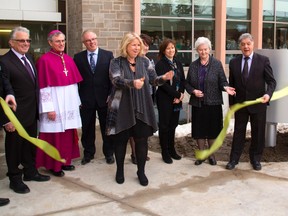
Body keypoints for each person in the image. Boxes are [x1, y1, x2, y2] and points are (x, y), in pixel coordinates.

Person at [106, 32, 174, 186]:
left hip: (142, 106)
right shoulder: (115, 62)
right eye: (133, 45)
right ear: (126, 46)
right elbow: (116, 80)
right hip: (122, 107)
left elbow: (153, 80)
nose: (137, 48)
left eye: (138, 45)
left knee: (142, 141)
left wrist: (164, 78)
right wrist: (132, 83)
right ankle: (120, 170)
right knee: (120, 142)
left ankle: (141, 171)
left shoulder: (145, 62)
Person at [0, 26, 50, 194]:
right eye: (21, 40)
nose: (26, 43)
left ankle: (30, 172)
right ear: (11, 42)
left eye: (28, 40)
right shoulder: (4, 62)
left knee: (29, 145)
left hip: (31, 112)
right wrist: (5, 120)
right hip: (14, 116)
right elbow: (3, 91)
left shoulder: (29, 57)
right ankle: (15, 179)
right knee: (14, 148)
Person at [35, 30, 83, 177]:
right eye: (58, 41)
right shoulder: (44, 60)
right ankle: (53, 165)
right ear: (50, 43)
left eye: (63, 41)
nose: (61, 44)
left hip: (68, 105)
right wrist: (49, 109)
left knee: (68, 135)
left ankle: (65, 161)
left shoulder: (69, 59)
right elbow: (44, 88)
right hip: (54, 105)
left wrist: (77, 103)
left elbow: (74, 85)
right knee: (54, 136)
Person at [226, 33, 276, 171]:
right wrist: (232, 104)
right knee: (238, 133)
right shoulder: (234, 62)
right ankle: (233, 160)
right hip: (241, 104)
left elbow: (271, 82)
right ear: (239, 46)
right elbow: (232, 84)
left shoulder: (263, 60)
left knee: (258, 133)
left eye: (248, 43)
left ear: (253, 44)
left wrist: (268, 94)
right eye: (243, 44)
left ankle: (255, 159)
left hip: (258, 104)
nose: (246, 46)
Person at [185, 37, 236, 166]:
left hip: (213, 103)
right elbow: (187, 84)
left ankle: (212, 155)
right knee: (199, 130)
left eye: (205, 49)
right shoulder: (193, 65)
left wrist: (225, 87)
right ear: (197, 51)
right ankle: (202, 154)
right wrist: (193, 91)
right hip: (198, 103)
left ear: (209, 49)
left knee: (213, 130)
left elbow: (222, 81)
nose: (203, 52)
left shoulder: (217, 64)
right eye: (200, 50)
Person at [74, 30, 115, 165]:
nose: (91, 42)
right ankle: (88, 153)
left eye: (93, 39)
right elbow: (76, 81)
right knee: (87, 129)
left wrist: (111, 95)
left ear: (97, 39)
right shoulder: (78, 58)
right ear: (84, 43)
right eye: (88, 40)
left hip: (105, 99)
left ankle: (109, 153)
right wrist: (77, 99)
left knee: (106, 128)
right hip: (86, 100)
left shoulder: (108, 55)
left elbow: (112, 78)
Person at [155, 38, 185, 164]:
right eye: (168, 48)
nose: (171, 50)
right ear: (163, 50)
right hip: (164, 99)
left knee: (173, 125)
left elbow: (183, 79)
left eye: (172, 47)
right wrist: (177, 94)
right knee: (164, 126)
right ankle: (165, 152)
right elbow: (163, 84)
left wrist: (180, 95)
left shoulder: (178, 62)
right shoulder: (160, 64)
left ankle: (172, 150)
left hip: (176, 99)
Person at [129, 33, 153, 165]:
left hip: (146, 98)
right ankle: (134, 154)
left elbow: (153, 79)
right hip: (133, 99)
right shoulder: (129, 61)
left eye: (147, 45)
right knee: (134, 128)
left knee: (145, 127)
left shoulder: (148, 61)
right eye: (141, 44)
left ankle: (143, 153)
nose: (144, 47)